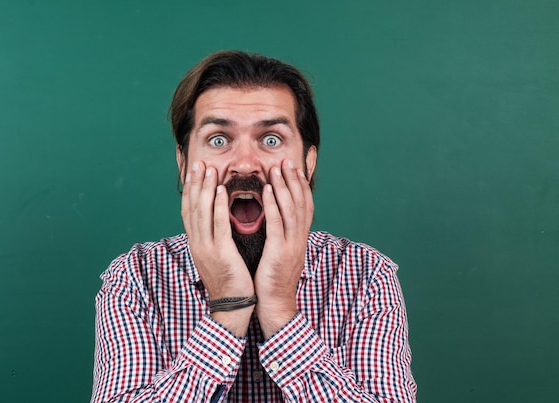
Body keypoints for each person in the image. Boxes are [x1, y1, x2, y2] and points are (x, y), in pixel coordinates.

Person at [91, 50, 417, 402]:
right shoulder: (136, 279)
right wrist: (228, 307)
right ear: (183, 164)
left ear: (308, 163)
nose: (245, 165)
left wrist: (279, 307)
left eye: (271, 140)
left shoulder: (365, 275)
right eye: (218, 139)